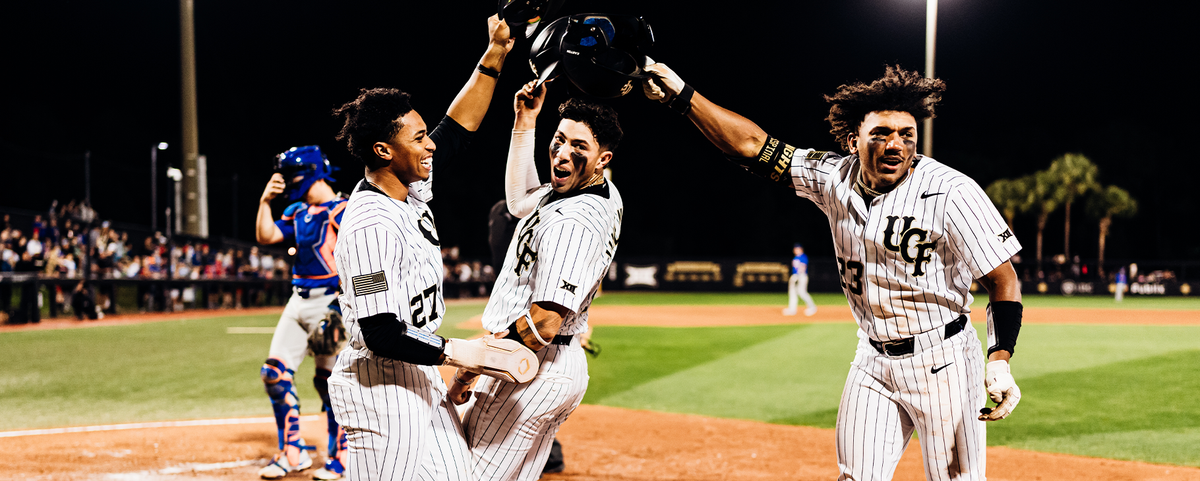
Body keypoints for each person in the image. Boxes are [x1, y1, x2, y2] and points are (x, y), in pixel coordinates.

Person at [642, 64, 1024, 480]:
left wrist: (999, 360)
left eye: (906, 135)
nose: (895, 145)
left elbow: (1002, 279)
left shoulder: (952, 191)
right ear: (852, 140)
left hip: (945, 361)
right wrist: (683, 96)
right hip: (873, 359)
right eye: (880, 134)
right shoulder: (832, 177)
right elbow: (752, 145)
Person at [327, 15, 538, 481]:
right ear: (384, 151)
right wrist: (466, 353)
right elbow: (381, 332)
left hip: (418, 370)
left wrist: (496, 53)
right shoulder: (370, 223)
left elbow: (457, 129)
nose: (431, 146)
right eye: (418, 138)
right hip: (379, 385)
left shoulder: (408, 188)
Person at [449, 82, 624, 481]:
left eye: (578, 146)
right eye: (559, 139)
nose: (562, 153)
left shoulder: (574, 221)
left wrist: (471, 369)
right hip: (553, 365)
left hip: (530, 367)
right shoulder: (597, 190)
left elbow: (544, 323)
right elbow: (520, 200)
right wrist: (525, 120)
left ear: (603, 159)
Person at [254, 143, 350, 479]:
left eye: (292, 175)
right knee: (274, 374)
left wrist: (343, 305)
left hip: (331, 302)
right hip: (298, 300)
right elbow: (266, 235)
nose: (287, 181)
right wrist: (265, 201)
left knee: (330, 384)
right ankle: (292, 453)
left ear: (311, 173)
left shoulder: (345, 210)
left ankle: (341, 455)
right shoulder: (297, 211)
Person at [783, 243, 818, 316]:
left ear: (801, 249)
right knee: (792, 293)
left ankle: (812, 307)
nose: (795, 250)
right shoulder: (796, 257)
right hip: (795, 276)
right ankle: (792, 310)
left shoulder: (803, 257)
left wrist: (797, 276)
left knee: (802, 292)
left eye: (797, 249)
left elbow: (802, 267)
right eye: (795, 249)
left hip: (801, 276)